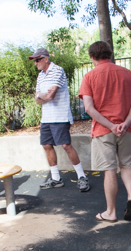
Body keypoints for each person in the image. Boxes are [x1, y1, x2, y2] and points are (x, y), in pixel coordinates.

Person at [79, 41, 131, 222]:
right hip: (126, 129)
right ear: (110, 54)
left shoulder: (89, 77)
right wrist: (125, 122)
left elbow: (89, 108)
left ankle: (111, 212)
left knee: (109, 170)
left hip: (103, 130)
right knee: (127, 165)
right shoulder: (127, 74)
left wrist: (111, 125)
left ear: (92, 57)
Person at [30, 48, 90, 192]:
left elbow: (50, 96)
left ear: (46, 59)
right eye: (34, 60)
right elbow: (37, 99)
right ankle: (56, 179)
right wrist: (42, 96)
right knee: (46, 145)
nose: (35, 63)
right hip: (46, 117)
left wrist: (41, 96)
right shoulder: (40, 76)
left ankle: (82, 177)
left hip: (60, 116)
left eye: (37, 60)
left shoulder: (57, 70)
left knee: (65, 145)